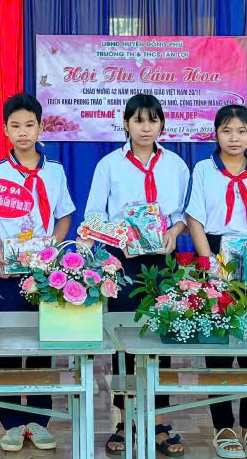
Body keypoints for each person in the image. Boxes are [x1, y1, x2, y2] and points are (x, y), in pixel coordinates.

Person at [84, 93, 190, 457]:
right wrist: (119, 238)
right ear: (126, 124)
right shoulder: (109, 165)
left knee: (163, 337)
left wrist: (174, 232)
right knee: (124, 341)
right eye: (138, 120)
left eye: (153, 120)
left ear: (162, 124)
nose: (146, 128)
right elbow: (94, 216)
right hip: (123, 261)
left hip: (162, 261)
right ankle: (123, 417)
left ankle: (159, 419)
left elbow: (183, 214)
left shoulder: (176, 165)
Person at [184, 105, 247, 459]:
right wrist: (208, 262)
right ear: (216, 134)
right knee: (219, 348)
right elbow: (195, 219)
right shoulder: (203, 170)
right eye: (227, 131)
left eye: (241, 131)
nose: (234, 138)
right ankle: (222, 426)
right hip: (215, 255)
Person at [0, 92, 75, 452]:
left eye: (29, 125)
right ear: (5, 130)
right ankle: (10, 422)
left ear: (40, 127)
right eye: (15, 126)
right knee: (6, 346)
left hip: (45, 275)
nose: (23, 132)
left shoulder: (55, 171)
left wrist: (53, 250)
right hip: (7, 272)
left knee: (42, 344)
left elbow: (64, 216)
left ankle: (38, 419)